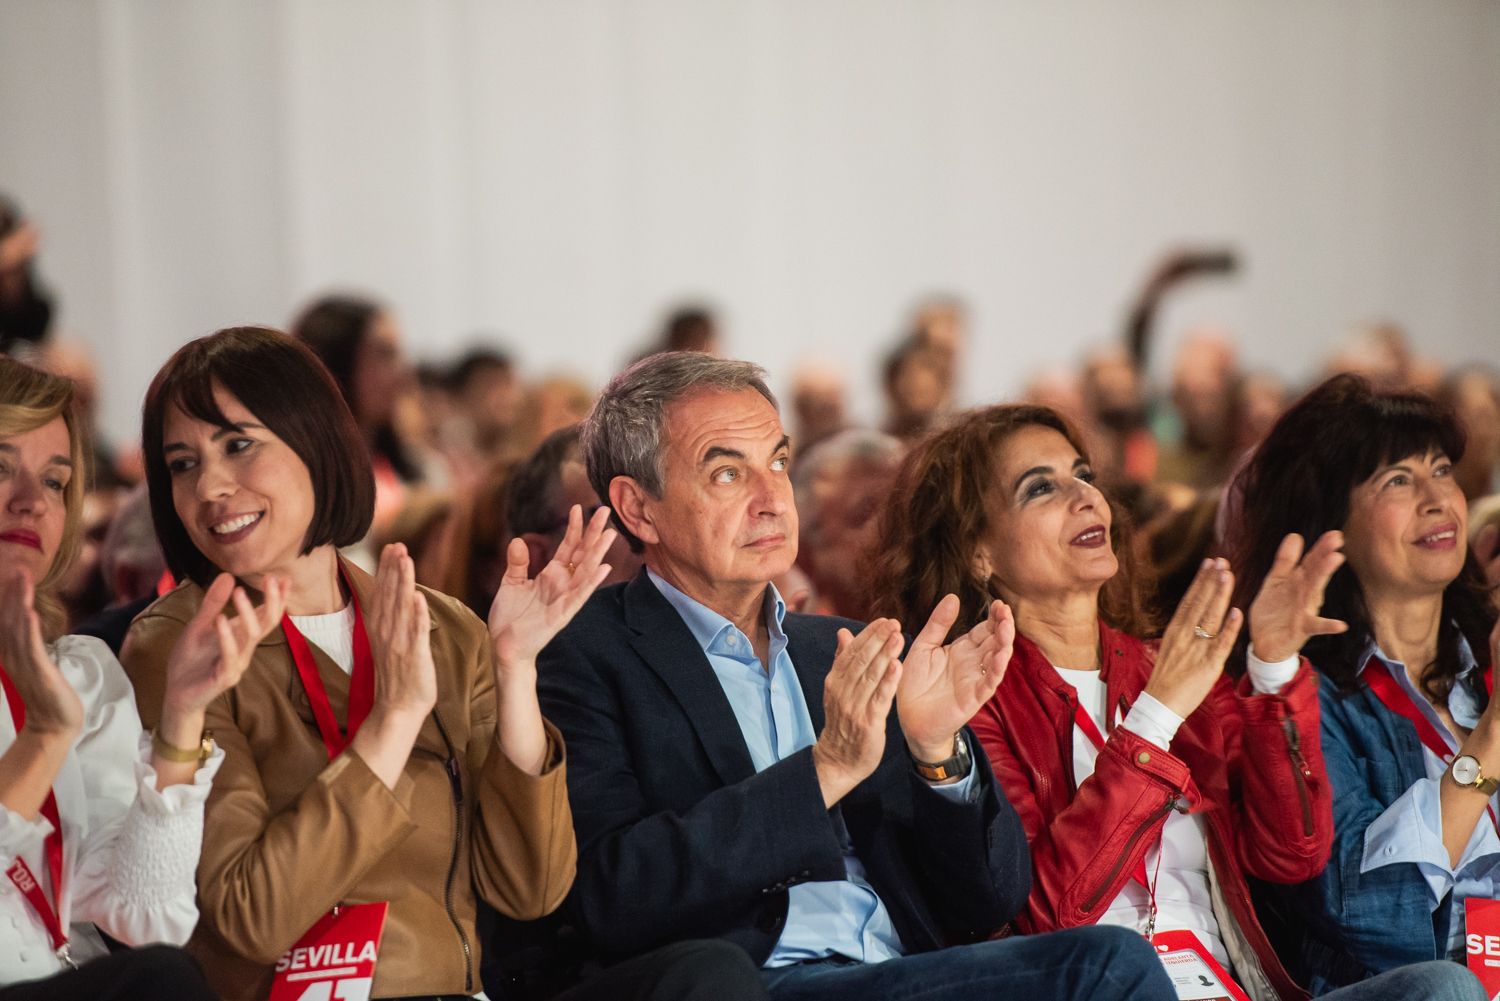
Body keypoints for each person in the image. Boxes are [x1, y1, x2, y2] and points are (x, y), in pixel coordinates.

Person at [121, 327, 767, 1001]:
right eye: (182, 464)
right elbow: (250, 917)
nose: (211, 486)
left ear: (314, 441)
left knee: (706, 976)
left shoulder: (440, 625)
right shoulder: (180, 645)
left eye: (237, 444)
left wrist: (516, 671)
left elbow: (531, 885)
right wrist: (393, 722)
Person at [536, 351, 1176, 1001]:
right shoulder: (587, 650)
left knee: (1107, 962)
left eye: (779, 462)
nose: (771, 500)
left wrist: (938, 756)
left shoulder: (838, 647)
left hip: (892, 971)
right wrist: (825, 771)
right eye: (728, 472)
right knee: (1108, 970)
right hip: (750, 980)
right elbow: (613, 892)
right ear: (638, 508)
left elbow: (988, 898)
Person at [868, 401, 1484, 1001]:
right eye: (1040, 489)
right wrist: (1154, 719)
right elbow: (1048, 919)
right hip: (1105, 984)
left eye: (1084, 475)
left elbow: (1291, 854)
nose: (1085, 497)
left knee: (1445, 986)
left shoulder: (1170, 666)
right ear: (978, 551)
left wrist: (1272, 673)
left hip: (1228, 984)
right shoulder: (972, 701)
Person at [1228, 374, 1500, 993]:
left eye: (1441, 470)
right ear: (1333, 524)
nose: (1438, 499)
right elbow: (1361, 909)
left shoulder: (1486, 659)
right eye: (1398, 480)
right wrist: (1491, 737)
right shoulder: (1302, 697)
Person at [0, 356, 257, 1000]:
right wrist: (45, 736)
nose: (31, 501)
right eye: (0, 469)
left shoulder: (81, 672)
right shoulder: (65, 703)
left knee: (165, 974)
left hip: (68, 979)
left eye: (56, 482)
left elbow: (144, 912)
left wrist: (181, 719)